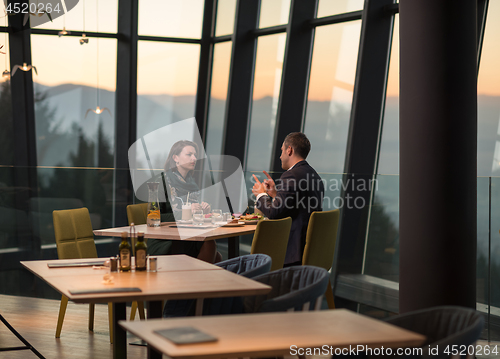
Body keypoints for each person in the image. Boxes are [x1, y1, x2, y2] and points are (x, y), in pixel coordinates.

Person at [252, 132, 324, 266]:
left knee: (255, 264)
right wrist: (275, 194)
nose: (280, 156)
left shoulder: (290, 175)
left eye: (282, 151)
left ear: (289, 150)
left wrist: (261, 194)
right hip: (310, 249)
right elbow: (297, 205)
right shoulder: (314, 175)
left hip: (292, 253)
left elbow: (273, 213)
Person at [147, 140, 219, 263]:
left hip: (188, 235)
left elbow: (192, 215)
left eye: (195, 155)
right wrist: (186, 212)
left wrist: (202, 210)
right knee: (210, 246)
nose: (194, 158)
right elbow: (153, 218)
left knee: (216, 254)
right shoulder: (161, 182)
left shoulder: (192, 184)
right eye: (189, 154)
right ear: (175, 158)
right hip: (165, 239)